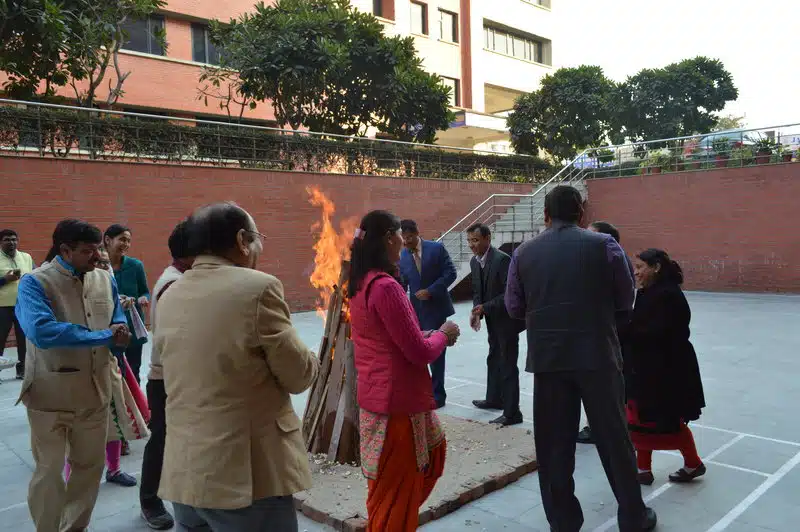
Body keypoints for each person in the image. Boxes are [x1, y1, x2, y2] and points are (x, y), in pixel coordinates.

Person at [156, 202, 319, 532]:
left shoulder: (170, 292)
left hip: (185, 471)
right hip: (244, 477)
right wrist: (311, 356)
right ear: (243, 240)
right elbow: (298, 376)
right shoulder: (258, 288)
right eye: (258, 238)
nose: (259, 248)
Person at [504, 186, 657, 532]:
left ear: (545, 215)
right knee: (614, 438)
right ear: (582, 213)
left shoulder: (523, 253)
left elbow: (514, 307)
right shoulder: (605, 246)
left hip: (548, 359)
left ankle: (564, 521)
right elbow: (626, 299)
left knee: (553, 445)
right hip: (598, 355)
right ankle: (633, 516)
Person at [15, 219, 131, 532]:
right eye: (88, 251)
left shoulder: (104, 278)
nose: (98, 256)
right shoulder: (34, 282)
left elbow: (116, 317)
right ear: (65, 250)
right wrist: (103, 335)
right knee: (49, 471)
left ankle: (75, 527)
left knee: (89, 468)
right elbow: (42, 332)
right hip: (50, 396)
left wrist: (120, 334)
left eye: (99, 249)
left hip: (95, 392)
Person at [348, 210, 460, 531]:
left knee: (404, 480)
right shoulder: (385, 287)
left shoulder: (359, 283)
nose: (403, 242)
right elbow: (419, 352)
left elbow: (388, 337)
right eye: (399, 234)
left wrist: (426, 334)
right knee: (395, 496)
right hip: (397, 406)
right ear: (389, 238)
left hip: (378, 398)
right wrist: (443, 334)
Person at [64, 247, 149, 489]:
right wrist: (103, 335)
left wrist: (120, 327)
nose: (101, 266)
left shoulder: (107, 283)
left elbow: (117, 318)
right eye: (97, 262)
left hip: (108, 361)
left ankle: (114, 469)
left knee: (115, 418)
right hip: (76, 367)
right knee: (78, 427)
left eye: (104, 263)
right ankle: (72, 478)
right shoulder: (64, 287)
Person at [624, 249, 706, 486]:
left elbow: (656, 333)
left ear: (656, 267)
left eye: (640, 267)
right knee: (638, 418)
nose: (636, 272)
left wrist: (622, 330)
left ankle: (693, 463)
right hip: (644, 367)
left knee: (666, 420)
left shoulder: (668, 295)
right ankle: (643, 469)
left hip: (666, 370)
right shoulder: (647, 292)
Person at [139, 220, 194, 530]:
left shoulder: (180, 278)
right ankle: (150, 501)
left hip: (173, 376)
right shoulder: (175, 284)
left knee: (173, 440)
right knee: (161, 440)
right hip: (167, 378)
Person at [577, 221, 635, 445]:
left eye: (591, 235)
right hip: (605, 330)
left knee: (602, 382)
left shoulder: (614, 260)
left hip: (607, 331)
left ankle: (600, 428)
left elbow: (623, 300)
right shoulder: (612, 258)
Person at [466, 223, 523, 426]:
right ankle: (494, 399)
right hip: (492, 319)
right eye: (469, 241)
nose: (472, 245)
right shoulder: (474, 262)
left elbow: (509, 293)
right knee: (493, 359)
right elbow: (477, 291)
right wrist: (476, 312)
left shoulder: (502, 260)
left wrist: (484, 307)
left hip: (507, 321)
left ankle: (512, 412)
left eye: (475, 240)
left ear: (488, 238)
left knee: (507, 364)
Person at [398, 219, 456, 408]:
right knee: (418, 351)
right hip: (415, 311)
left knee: (437, 354)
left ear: (417, 233)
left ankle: (438, 396)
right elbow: (403, 282)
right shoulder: (403, 255)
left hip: (436, 308)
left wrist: (431, 291)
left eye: (409, 238)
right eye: (403, 238)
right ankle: (423, 392)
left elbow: (451, 273)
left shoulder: (436, 249)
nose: (406, 242)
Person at [104, 224, 150, 384]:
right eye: (122, 239)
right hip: (110, 327)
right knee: (112, 370)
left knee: (134, 370)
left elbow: (144, 291)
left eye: (128, 241)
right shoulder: (99, 267)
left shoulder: (135, 266)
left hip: (133, 326)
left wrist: (143, 298)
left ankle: (134, 400)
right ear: (108, 240)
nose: (126, 244)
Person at [0, 229, 35, 380]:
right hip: (3, 307)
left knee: (24, 340)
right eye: (7, 239)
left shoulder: (26, 257)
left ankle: (22, 370)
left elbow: (35, 276)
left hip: (23, 305)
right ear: (0, 242)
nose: (11, 242)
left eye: (14, 239)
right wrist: (5, 280)